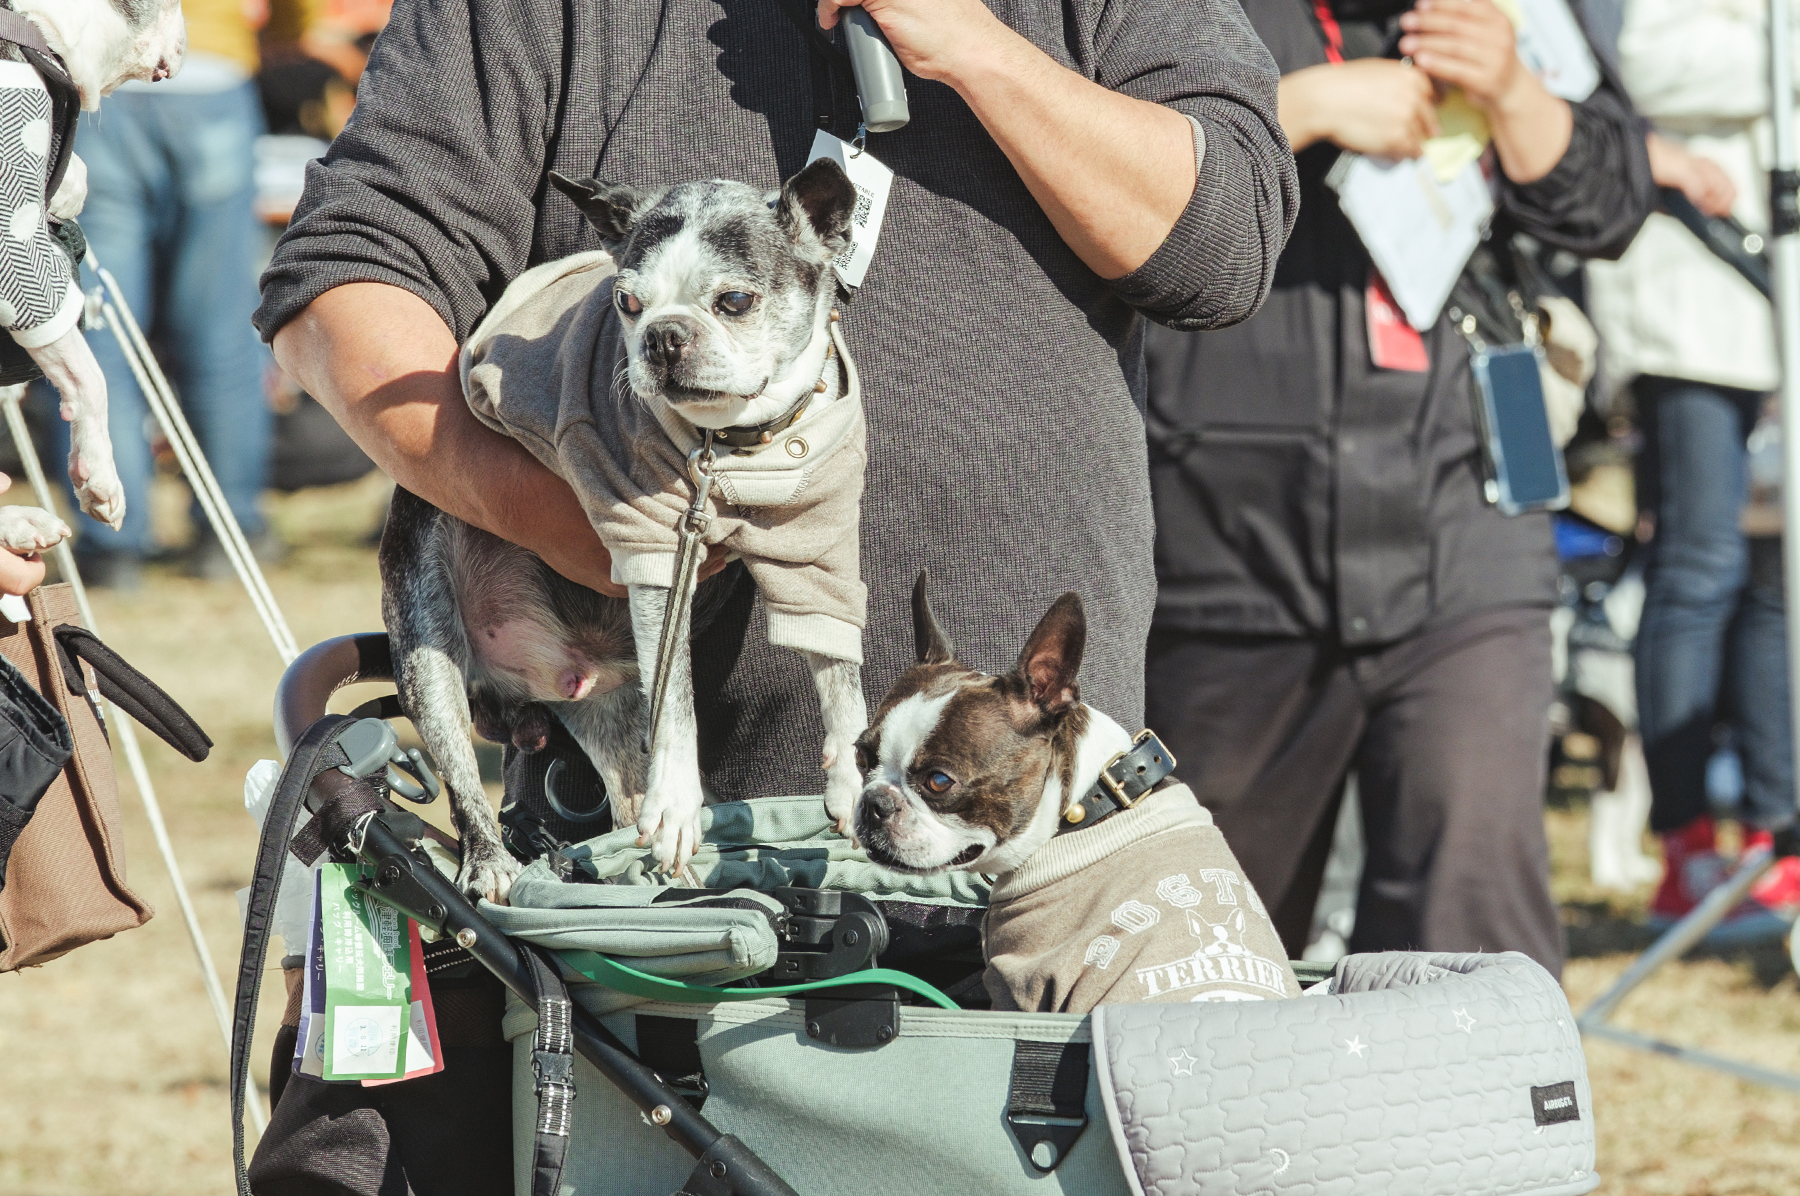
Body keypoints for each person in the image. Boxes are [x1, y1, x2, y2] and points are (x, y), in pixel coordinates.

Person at [255, 0, 1297, 806]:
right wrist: (552, 516)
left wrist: (978, 48)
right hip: (665, 845)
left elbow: (1221, 249)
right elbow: (346, 269)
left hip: (1018, 813)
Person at [1141, 0, 1654, 976]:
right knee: (1210, 945)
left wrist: (1510, 86)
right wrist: (1300, 107)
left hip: (1466, 518)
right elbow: (1116, 175)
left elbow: (1612, 200)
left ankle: (1479, 1128)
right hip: (1229, 543)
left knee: (1475, 914)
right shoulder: (1200, 15)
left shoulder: (1507, 9)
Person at [1584, 0, 1800, 925]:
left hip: (1772, 317)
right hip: (1688, 313)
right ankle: (1682, 853)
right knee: (1699, 569)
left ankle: (1772, 837)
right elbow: (1641, 65)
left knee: (1772, 583)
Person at [45, 0, 274, 588]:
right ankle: (229, 534)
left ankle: (111, 544)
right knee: (220, 328)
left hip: (100, 76)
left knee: (98, 324)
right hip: (213, 78)